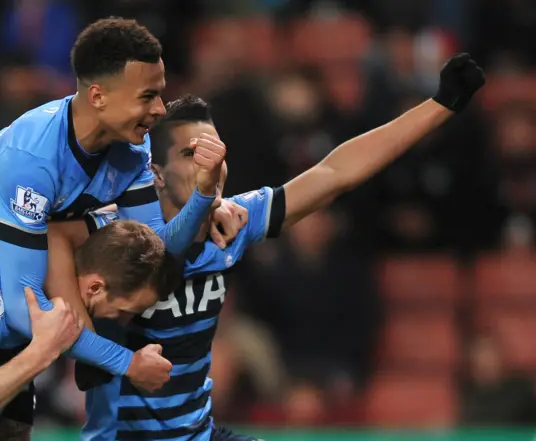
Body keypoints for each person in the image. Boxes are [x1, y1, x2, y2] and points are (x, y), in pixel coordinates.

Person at [49, 53, 486, 440]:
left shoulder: (234, 224)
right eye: (191, 153)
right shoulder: (115, 235)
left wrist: (439, 105)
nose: (211, 160)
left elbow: (336, 172)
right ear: (156, 172)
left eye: (215, 147)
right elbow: (50, 231)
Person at [0, 17, 245, 431]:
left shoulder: (131, 151)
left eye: (160, 95)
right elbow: (26, 311)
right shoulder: (34, 159)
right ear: (98, 96)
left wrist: (204, 196)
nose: (159, 110)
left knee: (10, 427)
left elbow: (158, 248)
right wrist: (128, 363)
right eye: (148, 96)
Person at [0, 220, 178, 441]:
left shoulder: (41, 305)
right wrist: (42, 352)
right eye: (123, 311)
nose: (120, 321)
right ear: (95, 287)